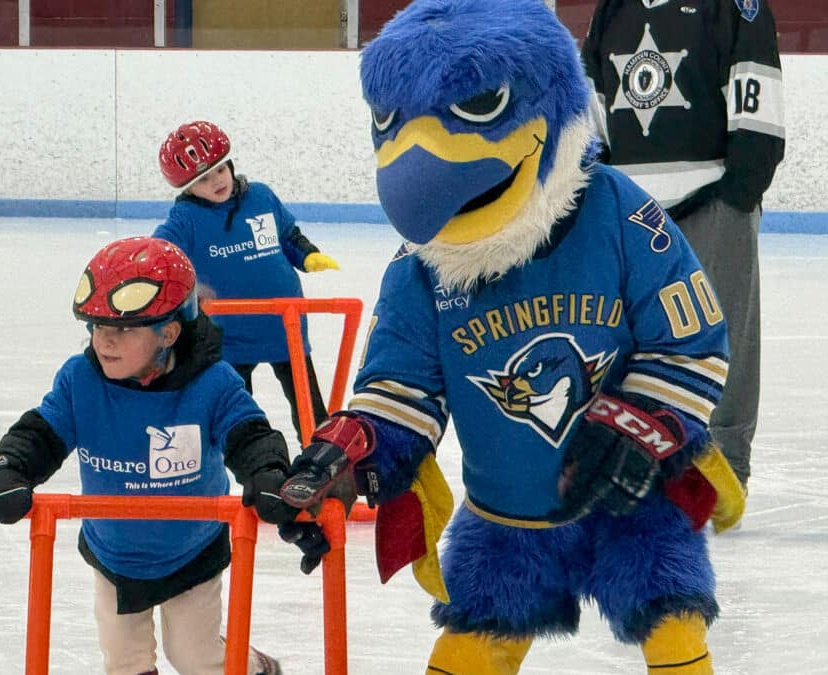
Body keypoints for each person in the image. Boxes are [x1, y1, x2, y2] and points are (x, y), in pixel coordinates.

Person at [277, 0, 745, 672]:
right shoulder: (420, 265)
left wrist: (640, 424)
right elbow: (401, 389)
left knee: (674, 634)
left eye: (479, 107)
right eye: (392, 122)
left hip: (631, 504)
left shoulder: (617, 211)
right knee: (467, 651)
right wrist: (348, 456)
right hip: (507, 522)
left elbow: (690, 341)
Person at [0, 236, 315, 675]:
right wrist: (8, 466)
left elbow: (249, 433)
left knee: (195, 656)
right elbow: (41, 432)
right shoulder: (80, 381)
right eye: (98, 327)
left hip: (192, 550)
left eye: (124, 330)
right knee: (125, 661)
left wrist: (267, 471)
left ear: (168, 333)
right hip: (114, 555)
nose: (105, 341)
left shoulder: (213, 382)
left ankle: (257, 668)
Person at [581, 0, 786, 492]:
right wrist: (602, 193)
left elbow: (758, 106)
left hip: (713, 204)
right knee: (627, 341)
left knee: (724, 338)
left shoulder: (735, 7)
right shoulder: (612, 9)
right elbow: (591, 108)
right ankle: (633, 460)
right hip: (631, 214)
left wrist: (735, 199)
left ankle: (722, 469)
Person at [153, 120, 341, 445]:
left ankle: (321, 459)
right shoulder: (186, 219)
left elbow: (288, 235)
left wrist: (308, 256)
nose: (216, 181)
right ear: (187, 189)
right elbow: (161, 255)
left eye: (219, 170)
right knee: (239, 412)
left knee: (309, 409)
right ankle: (255, 456)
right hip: (231, 337)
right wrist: (183, 287)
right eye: (203, 179)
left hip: (286, 328)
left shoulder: (261, 197)